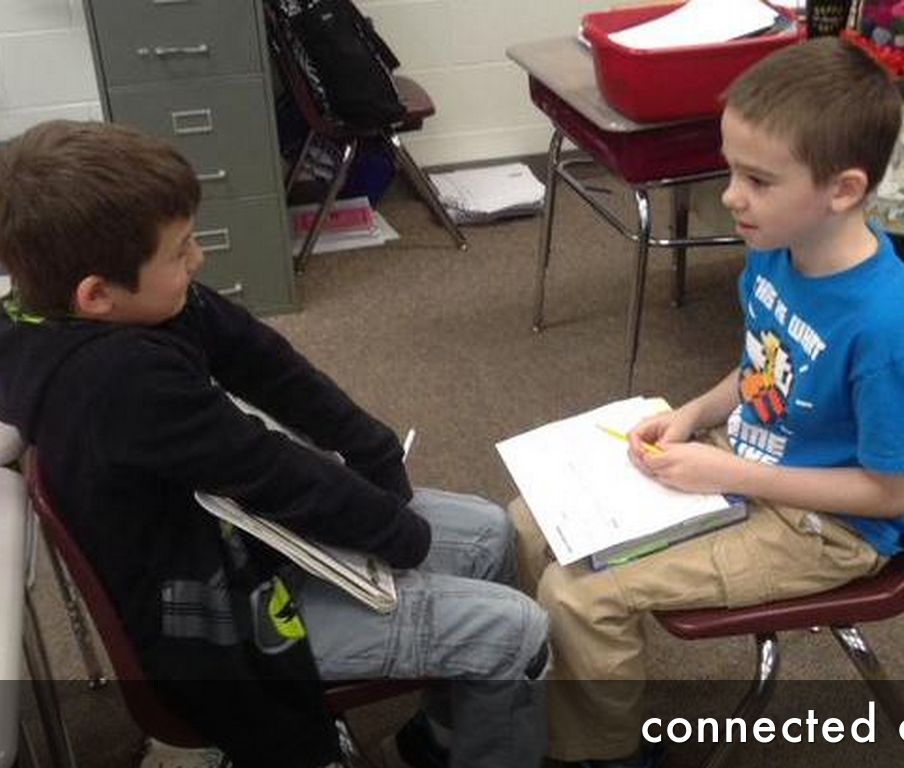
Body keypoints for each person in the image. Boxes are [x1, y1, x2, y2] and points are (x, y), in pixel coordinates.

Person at [0, 120, 548, 768]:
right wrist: (397, 534)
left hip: (236, 536)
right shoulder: (117, 380)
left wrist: (373, 452)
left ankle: (442, 741)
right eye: (179, 252)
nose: (197, 260)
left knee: (488, 533)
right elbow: (271, 470)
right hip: (219, 617)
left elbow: (266, 363)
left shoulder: (129, 306)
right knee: (515, 632)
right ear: (96, 295)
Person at [510, 37, 904, 768]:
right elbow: (760, 369)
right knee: (531, 523)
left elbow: (889, 494)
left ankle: (607, 754)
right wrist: (692, 414)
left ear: (843, 191)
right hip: (747, 462)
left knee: (580, 594)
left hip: (825, 530)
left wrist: (730, 473)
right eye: (731, 169)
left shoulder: (886, 331)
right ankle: (553, 698)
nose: (730, 196)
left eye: (757, 179)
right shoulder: (781, 246)